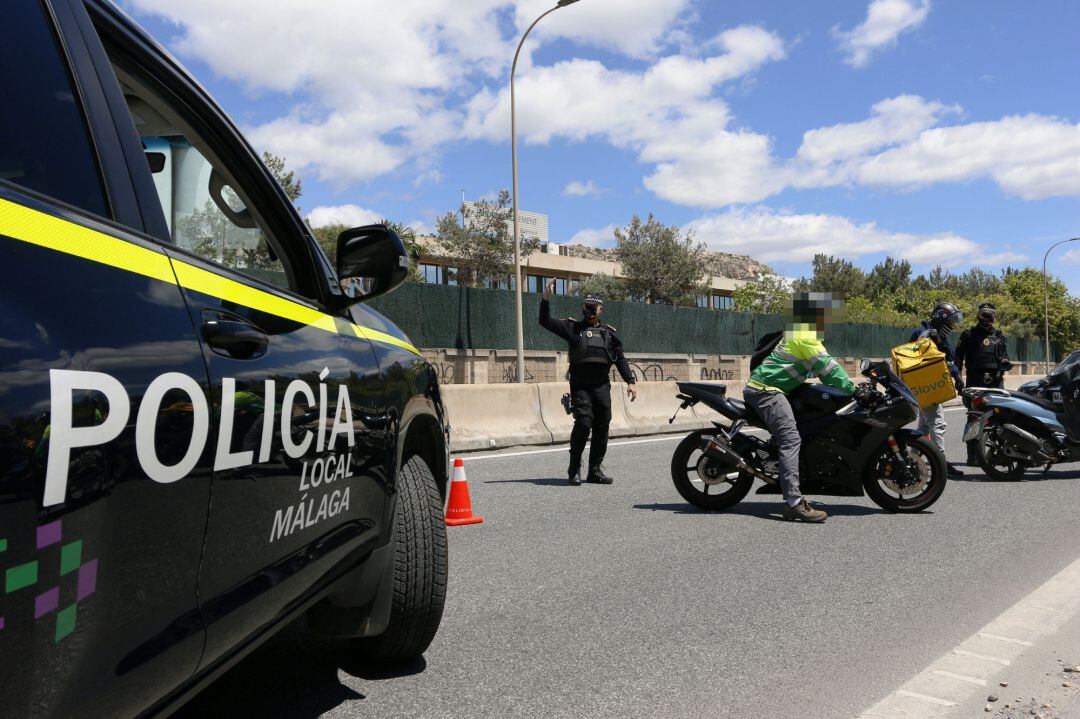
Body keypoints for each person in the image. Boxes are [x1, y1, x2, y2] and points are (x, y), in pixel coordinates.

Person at [743, 292, 863, 523]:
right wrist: (853, 389)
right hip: (765, 391)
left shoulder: (800, 334)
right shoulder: (805, 337)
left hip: (775, 389)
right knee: (791, 438)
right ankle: (794, 504)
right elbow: (828, 369)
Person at [539, 280, 636, 485]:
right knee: (583, 423)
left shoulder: (609, 334)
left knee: (602, 426)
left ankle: (595, 470)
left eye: (593, 308)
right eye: (586, 307)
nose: (590, 311)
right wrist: (546, 296)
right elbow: (544, 320)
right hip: (581, 386)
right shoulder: (573, 328)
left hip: (602, 386)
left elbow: (620, 358)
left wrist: (630, 381)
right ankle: (574, 469)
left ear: (600, 309)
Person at [910, 302, 965, 477]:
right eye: (949, 322)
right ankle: (940, 464)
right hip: (926, 386)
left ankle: (912, 462)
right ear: (940, 320)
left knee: (924, 427)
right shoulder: (924, 334)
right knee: (938, 424)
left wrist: (956, 375)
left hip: (931, 386)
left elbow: (947, 359)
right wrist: (955, 373)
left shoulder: (938, 335)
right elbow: (928, 359)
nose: (951, 326)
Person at [956, 302, 1012, 464]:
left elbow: (1003, 355)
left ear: (994, 318)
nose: (987, 319)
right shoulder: (968, 334)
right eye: (984, 316)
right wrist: (958, 379)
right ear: (978, 316)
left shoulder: (998, 334)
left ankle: (998, 454)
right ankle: (972, 456)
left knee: (1000, 417)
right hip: (975, 380)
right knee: (974, 417)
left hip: (995, 381)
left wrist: (1005, 362)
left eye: (990, 316)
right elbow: (958, 358)